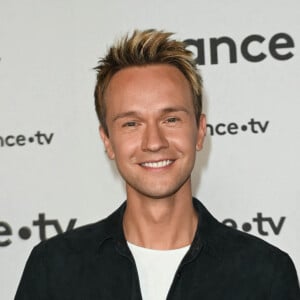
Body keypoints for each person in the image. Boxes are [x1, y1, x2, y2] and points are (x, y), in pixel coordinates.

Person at [15, 29, 299, 300]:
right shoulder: (54, 268)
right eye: (131, 123)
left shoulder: (265, 272)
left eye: (170, 119)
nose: (154, 142)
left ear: (200, 131)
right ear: (107, 140)